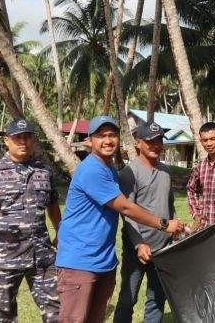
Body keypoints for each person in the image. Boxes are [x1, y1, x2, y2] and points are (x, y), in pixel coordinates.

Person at [56, 116, 184, 323]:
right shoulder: (93, 170)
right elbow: (125, 208)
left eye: (112, 135)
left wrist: (173, 228)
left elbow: (168, 206)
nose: (108, 140)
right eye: (101, 135)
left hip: (104, 260)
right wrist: (162, 226)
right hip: (80, 260)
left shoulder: (111, 171)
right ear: (89, 140)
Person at [0, 119, 61, 322]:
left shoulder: (44, 171)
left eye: (27, 137)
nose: (23, 141)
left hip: (41, 258)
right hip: (5, 259)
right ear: (7, 140)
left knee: (56, 312)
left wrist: (60, 233)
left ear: (33, 140)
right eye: (18, 137)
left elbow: (53, 205)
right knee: (2, 316)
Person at [113, 120, 175, 323]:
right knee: (127, 299)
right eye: (150, 141)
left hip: (163, 248)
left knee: (157, 299)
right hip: (136, 249)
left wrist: (176, 232)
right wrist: (139, 244)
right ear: (138, 143)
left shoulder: (166, 171)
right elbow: (127, 214)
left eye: (159, 141)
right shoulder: (130, 173)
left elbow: (170, 206)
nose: (156, 145)